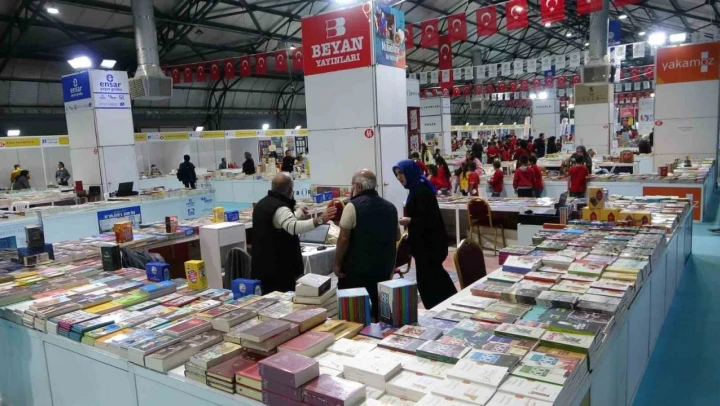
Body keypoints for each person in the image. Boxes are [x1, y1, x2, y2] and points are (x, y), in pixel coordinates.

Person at [251, 172, 337, 293]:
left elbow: (281, 222)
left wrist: (298, 214)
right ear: (291, 189)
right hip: (279, 269)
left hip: (262, 264)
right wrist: (320, 220)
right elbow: (293, 227)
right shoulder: (280, 208)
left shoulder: (261, 204)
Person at [333, 169, 398, 319]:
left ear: (358, 186)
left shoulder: (352, 206)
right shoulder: (391, 207)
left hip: (357, 271)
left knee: (353, 311)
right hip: (383, 269)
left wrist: (336, 264)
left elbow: (343, 239)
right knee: (379, 309)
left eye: (352, 185)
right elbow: (396, 238)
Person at [393, 160, 457, 309]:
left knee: (431, 282)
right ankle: (443, 307)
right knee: (433, 280)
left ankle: (440, 309)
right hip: (425, 245)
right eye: (397, 174)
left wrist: (410, 221)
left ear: (410, 172)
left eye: (401, 173)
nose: (399, 177)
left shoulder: (421, 191)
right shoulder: (416, 188)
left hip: (429, 246)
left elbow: (429, 220)